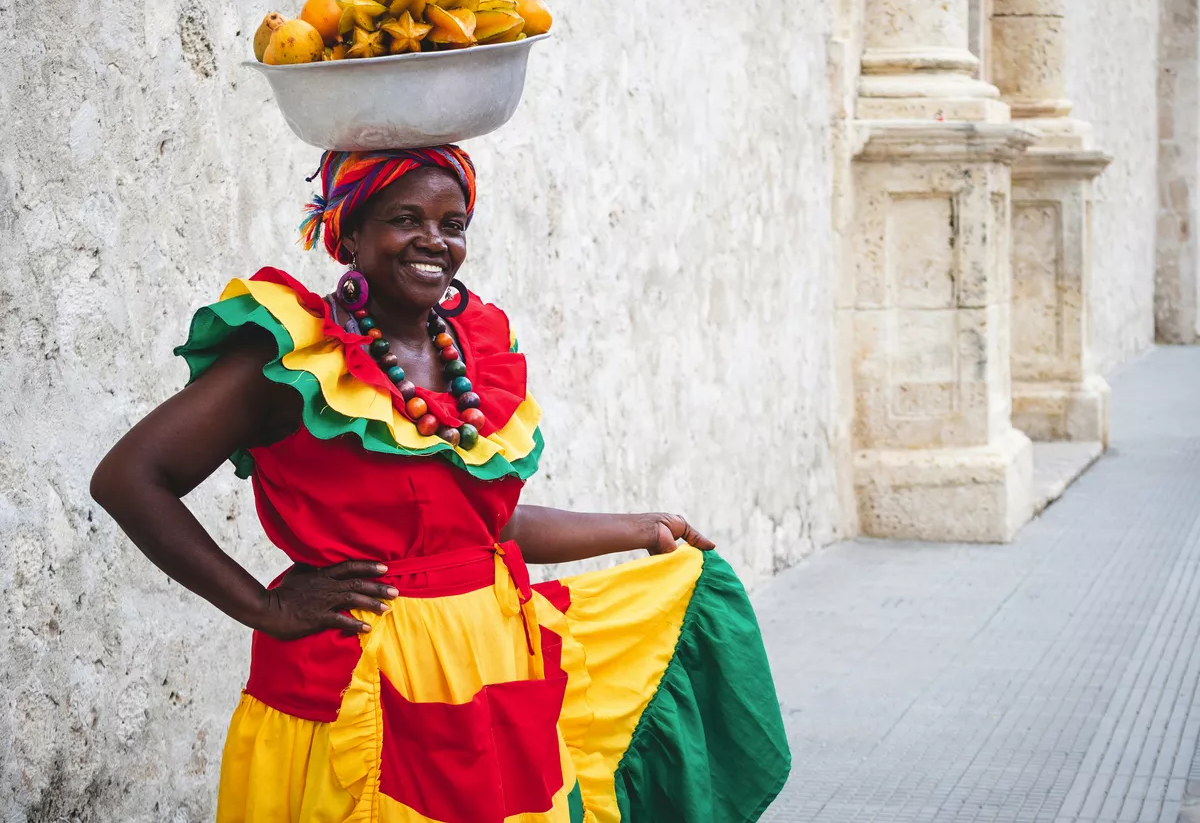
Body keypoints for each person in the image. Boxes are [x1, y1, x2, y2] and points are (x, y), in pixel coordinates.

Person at [91, 145, 790, 823]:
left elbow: (483, 530)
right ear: (350, 233)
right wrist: (263, 609)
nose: (433, 240)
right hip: (357, 680)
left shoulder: (474, 356)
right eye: (404, 219)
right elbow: (130, 478)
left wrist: (638, 527)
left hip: (487, 671)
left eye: (451, 225)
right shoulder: (293, 357)